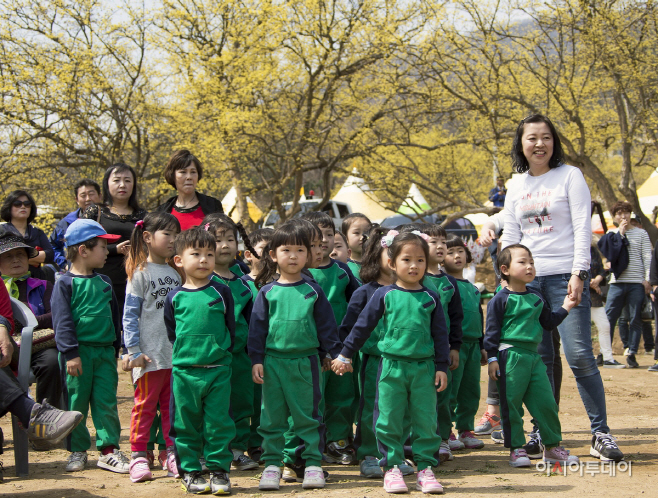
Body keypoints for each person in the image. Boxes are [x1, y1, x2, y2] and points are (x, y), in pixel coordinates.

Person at [500, 113, 623, 462]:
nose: (539, 144)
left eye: (546, 137)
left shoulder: (570, 176)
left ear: (554, 142)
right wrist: (507, 279)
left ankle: (600, 433)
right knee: (539, 360)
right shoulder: (516, 185)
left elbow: (583, 229)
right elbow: (512, 235)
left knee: (580, 354)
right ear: (521, 144)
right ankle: (543, 431)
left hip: (563, 277)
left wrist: (579, 273)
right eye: (531, 138)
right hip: (527, 283)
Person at [333, 231, 448, 495]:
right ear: (392, 263)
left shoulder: (431, 298)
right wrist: (345, 354)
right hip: (391, 367)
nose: (414, 265)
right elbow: (361, 327)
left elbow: (439, 335)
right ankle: (392, 468)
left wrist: (441, 366)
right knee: (388, 419)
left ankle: (425, 469)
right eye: (406, 259)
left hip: (424, 369)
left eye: (420, 260)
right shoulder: (383, 295)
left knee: (425, 420)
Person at [249, 221, 341, 491]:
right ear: (272, 254)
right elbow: (257, 330)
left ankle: (313, 464)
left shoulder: (313, 291)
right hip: (273, 363)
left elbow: (327, 327)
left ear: (308, 255)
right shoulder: (267, 292)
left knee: (307, 416)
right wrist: (256, 359)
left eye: (300, 250)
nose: (292, 256)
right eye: (286, 250)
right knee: (271, 418)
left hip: (306, 362)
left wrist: (330, 353)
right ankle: (272, 466)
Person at [485, 244, 579, 467]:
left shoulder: (536, 296)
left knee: (546, 402)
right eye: (522, 262)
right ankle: (516, 449)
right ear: (505, 269)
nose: (529, 266)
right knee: (511, 405)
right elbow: (491, 332)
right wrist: (491, 358)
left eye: (532, 262)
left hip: (534, 357)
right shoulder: (500, 299)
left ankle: (553, 447)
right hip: (509, 356)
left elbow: (548, 323)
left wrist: (566, 306)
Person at [51, 219, 129, 473]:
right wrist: (70, 353)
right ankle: (77, 450)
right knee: (76, 403)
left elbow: (115, 317)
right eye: (103, 247)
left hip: (105, 353)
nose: (108, 252)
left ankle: (108, 451)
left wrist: (117, 348)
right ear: (83, 250)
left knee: (106, 402)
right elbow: (62, 322)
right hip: (78, 355)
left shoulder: (105, 282)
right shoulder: (64, 283)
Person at [164, 228, 236, 495]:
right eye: (196, 254)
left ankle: (219, 471)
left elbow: (231, 329)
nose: (204, 260)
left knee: (219, 423)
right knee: (185, 424)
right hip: (184, 373)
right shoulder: (174, 297)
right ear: (179, 260)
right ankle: (191, 471)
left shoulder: (222, 293)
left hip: (218, 371)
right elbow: (173, 332)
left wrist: (218, 351)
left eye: (209, 254)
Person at [337, 226, 408, 479]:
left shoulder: (415, 293)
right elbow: (348, 328)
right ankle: (368, 453)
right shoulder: (364, 292)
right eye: (393, 252)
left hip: (406, 362)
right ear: (377, 255)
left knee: (400, 410)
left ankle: (394, 455)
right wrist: (343, 355)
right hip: (374, 361)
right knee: (371, 409)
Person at [122, 212, 182, 483]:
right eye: (167, 234)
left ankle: (171, 454)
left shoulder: (175, 273)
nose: (173, 240)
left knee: (172, 408)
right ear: (147, 237)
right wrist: (133, 351)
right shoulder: (139, 274)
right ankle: (137, 455)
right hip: (149, 358)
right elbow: (129, 316)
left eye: (176, 235)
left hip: (174, 357)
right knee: (144, 407)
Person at [301, 211, 360, 465]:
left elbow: (359, 306)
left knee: (341, 394)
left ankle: (338, 441)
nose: (323, 241)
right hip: (309, 348)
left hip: (340, 349)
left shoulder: (344, 272)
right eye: (316, 236)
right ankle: (311, 444)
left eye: (327, 234)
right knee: (313, 398)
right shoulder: (298, 274)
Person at [204, 214, 260, 472]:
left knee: (241, 403)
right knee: (213, 406)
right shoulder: (201, 281)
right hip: (210, 359)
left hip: (240, 358)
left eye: (230, 239)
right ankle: (210, 450)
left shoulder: (245, 284)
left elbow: (253, 322)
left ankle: (237, 450)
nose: (225, 245)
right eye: (218, 240)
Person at [412, 223, 465, 461]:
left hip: (441, 352)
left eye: (443, 242)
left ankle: (443, 438)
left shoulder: (450, 282)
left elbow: (456, 319)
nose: (441, 246)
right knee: (417, 397)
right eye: (433, 242)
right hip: (416, 350)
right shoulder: (413, 280)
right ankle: (415, 439)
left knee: (443, 396)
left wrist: (454, 348)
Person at [0, 229, 62, 411]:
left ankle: (48, 418)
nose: (16, 260)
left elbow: (55, 316)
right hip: (6, 346)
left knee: (52, 362)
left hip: (39, 343)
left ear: (28, 259)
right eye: (8, 256)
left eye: (20, 255)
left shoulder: (43, 286)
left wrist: (29, 322)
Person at [83, 164, 147, 323]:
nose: (122, 185)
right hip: (102, 280)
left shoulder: (144, 215)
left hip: (135, 279)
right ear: (107, 184)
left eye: (127, 180)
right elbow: (82, 244)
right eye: (117, 180)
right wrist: (113, 249)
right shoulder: (96, 212)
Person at [442, 234, 486, 450]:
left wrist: (483, 344)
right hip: (454, 347)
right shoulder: (445, 286)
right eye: (450, 252)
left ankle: (466, 428)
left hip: (474, 346)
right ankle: (446, 431)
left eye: (460, 251)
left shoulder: (473, 288)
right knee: (451, 389)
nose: (457, 256)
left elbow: (479, 315)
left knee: (470, 389)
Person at [598, 202, 652, 369]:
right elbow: (610, 255)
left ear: (631, 214)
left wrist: (647, 279)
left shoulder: (641, 234)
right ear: (615, 217)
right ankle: (603, 353)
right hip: (616, 283)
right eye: (620, 214)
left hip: (636, 282)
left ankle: (632, 353)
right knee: (608, 319)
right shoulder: (611, 234)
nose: (623, 216)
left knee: (635, 318)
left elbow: (647, 257)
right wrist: (620, 234)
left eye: (626, 213)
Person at [240, 227, 274, 464]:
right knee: (248, 402)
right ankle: (244, 445)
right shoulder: (242, 285)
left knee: (269, 403)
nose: (269, 254)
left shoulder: (283, 284)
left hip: (275, 353)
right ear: (248, 255)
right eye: (264, 249)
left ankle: (263, 444)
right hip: (247, 355)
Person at [156, 149, 224, 230]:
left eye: (193, 172)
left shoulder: (213, 206)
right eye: (183, 172)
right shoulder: (162, 211)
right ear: (172, 175)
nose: (189, 177)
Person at [1, 190, 54, 281]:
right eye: (17, 204)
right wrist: (36, 258)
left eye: (27, 204)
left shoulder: (37, 232)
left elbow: (50, 255)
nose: (23, 207)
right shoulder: (2, 231)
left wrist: (14, 258)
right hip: (7, 281)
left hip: (36, 279)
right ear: (9, 207)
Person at [50, 179, 102, 270]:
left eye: (91, 194)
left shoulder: (109, 219)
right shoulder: (67, 222)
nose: (88, 199)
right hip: (76, 275)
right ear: (77, 200)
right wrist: (64, 264)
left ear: (100, 196)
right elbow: (52, 245)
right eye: (83, 195)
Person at [590, 243, 623, 368]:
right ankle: (586, 359)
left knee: (604, 325)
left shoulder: (593, 250)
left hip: (595, 295)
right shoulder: (571, 248)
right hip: (579, 294)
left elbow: (601, 270)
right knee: (583, 329)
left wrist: (596, 280)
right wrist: (589, 282)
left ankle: (607, 358)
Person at [341, 213, 371, 283]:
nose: (362, 237)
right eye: (356, 233)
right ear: (345, 237)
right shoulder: (343, 268)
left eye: (367, 232)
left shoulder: (379, 263)